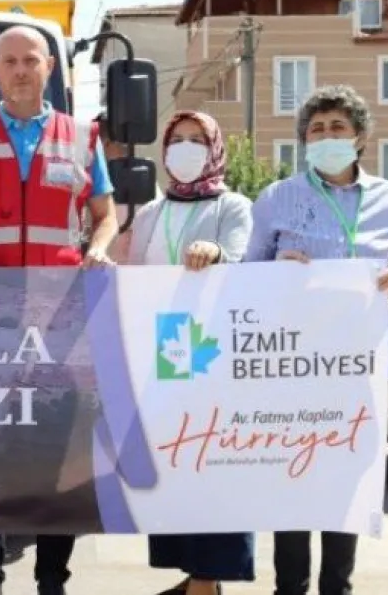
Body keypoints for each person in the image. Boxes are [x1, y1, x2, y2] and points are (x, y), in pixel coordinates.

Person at [0, 24, 119, 595]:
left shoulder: (83, 136)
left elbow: (105, 214)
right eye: (8, 61)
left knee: (57, 447)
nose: (19, 70)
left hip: (61, 314)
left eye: (30, 60)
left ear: (48, 69)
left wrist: (98, 248)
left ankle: (51, 576)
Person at [243, 84, 388, 595]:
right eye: (316, 129)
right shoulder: (278, 198)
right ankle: (290, 588)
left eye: (337, 127)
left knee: (347, 483)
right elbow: (245, 273)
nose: (326, 136)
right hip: (294, 367)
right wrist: (274, 271)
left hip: (361, 367)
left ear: (359, 137)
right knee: (294, 481)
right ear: (304, 140)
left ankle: (337, 587)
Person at [118, 110, 255, 595]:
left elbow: (241, 261)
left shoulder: (232, 206)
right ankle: (194, 574)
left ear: (215, 148)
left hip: (213, 355)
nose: (187, 148)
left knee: (216, 463)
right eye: (178, 140)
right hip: (163, 355)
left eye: (199, 140)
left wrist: (214, 255)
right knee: (176, 464)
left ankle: (206, 579)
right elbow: (132, 277)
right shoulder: (152, 212)